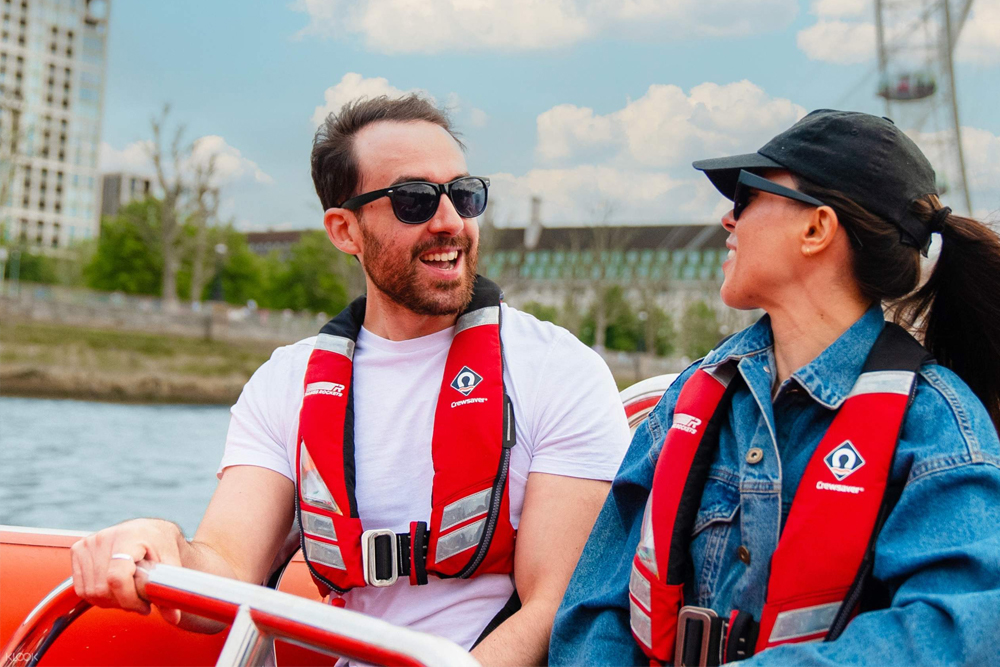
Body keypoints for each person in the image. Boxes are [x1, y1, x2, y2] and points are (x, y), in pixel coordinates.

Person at [71, 94, 632, 665]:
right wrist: (156, 543)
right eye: (414, 200)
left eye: (464, 195)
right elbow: (223, 578)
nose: (449, 222)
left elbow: (555, 609)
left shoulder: (560, 372)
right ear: (344, 230)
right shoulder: (284, 386)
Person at [549, 109, 1000, 666]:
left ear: (816, 229)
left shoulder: (937, 429)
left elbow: (959, 637)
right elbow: (598, 608)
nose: (726, 219)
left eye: (746, 198)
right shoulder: (695, 396)